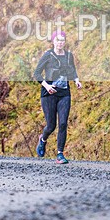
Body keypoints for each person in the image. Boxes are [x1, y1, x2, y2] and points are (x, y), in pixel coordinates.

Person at [33, 30, 82, 164]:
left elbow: (72, 70)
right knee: (51, 125)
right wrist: (47, 86)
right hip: (48, 94)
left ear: (65, 42)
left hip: (64, 93)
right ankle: (43, 139)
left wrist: (76, 80)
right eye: (57, 40)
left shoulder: (68, 56)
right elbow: (37, 74)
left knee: (63, 123)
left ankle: (60, 154)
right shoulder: (48, 55)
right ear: (53, 41)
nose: (60, 43)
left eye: (62, 40)